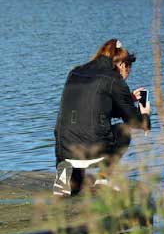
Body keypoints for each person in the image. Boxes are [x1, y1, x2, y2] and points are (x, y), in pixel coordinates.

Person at [53, 39, 151, 196]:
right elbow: (134, 121)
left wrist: (128, 98)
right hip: (93, 151)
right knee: (123, 130)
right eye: (127, 72)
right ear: (122, 65)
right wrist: (145, 114)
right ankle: (104, 179)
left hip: (64, 152)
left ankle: (63, 175)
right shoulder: (113, 79)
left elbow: (92, 108)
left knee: (76, 187)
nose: (125, 77)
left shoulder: (75, 72)